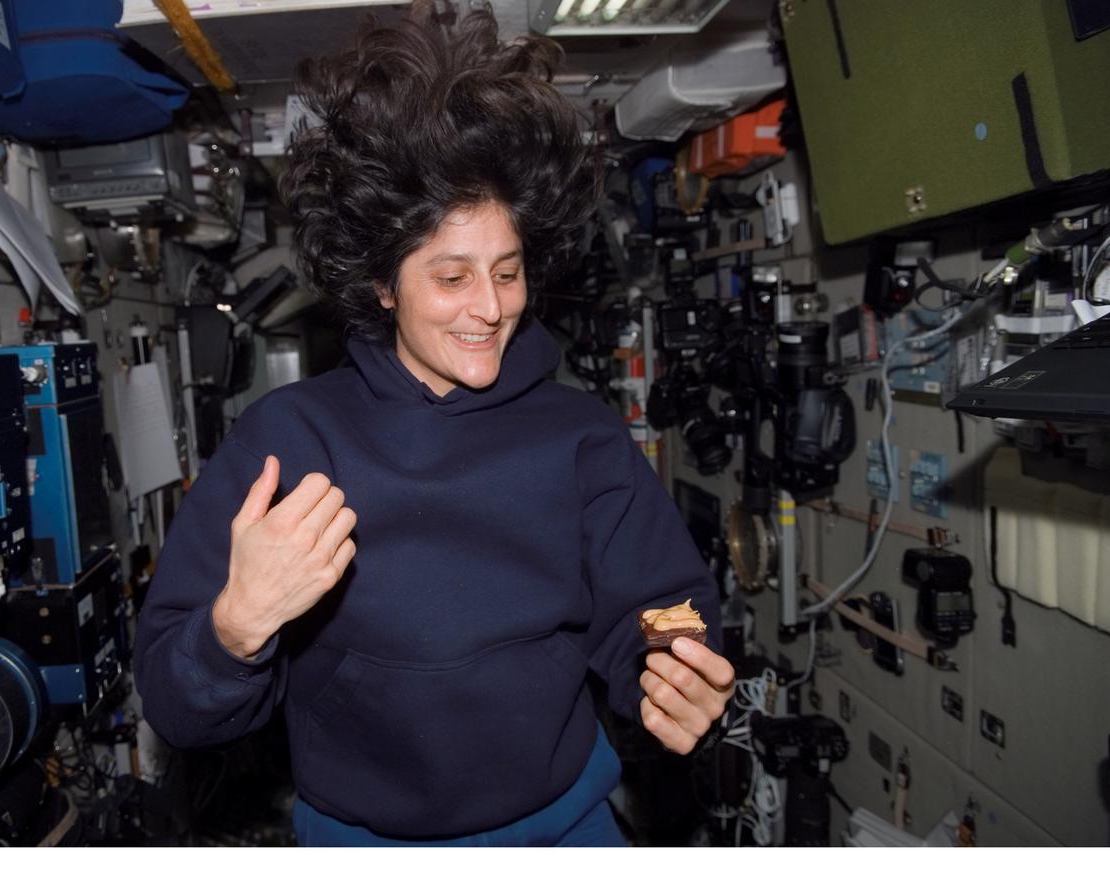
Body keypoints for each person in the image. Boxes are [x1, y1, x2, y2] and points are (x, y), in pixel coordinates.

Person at [134, 1, 734, 846]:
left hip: (566, 828)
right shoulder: (289, 441)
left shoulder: (581, 437)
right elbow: (173, 699)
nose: (490, 308)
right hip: (360, 839)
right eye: (452, 277)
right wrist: (236, 625)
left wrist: (672, 664)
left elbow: (662, 602)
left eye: (508, 270)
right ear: (384, 283)